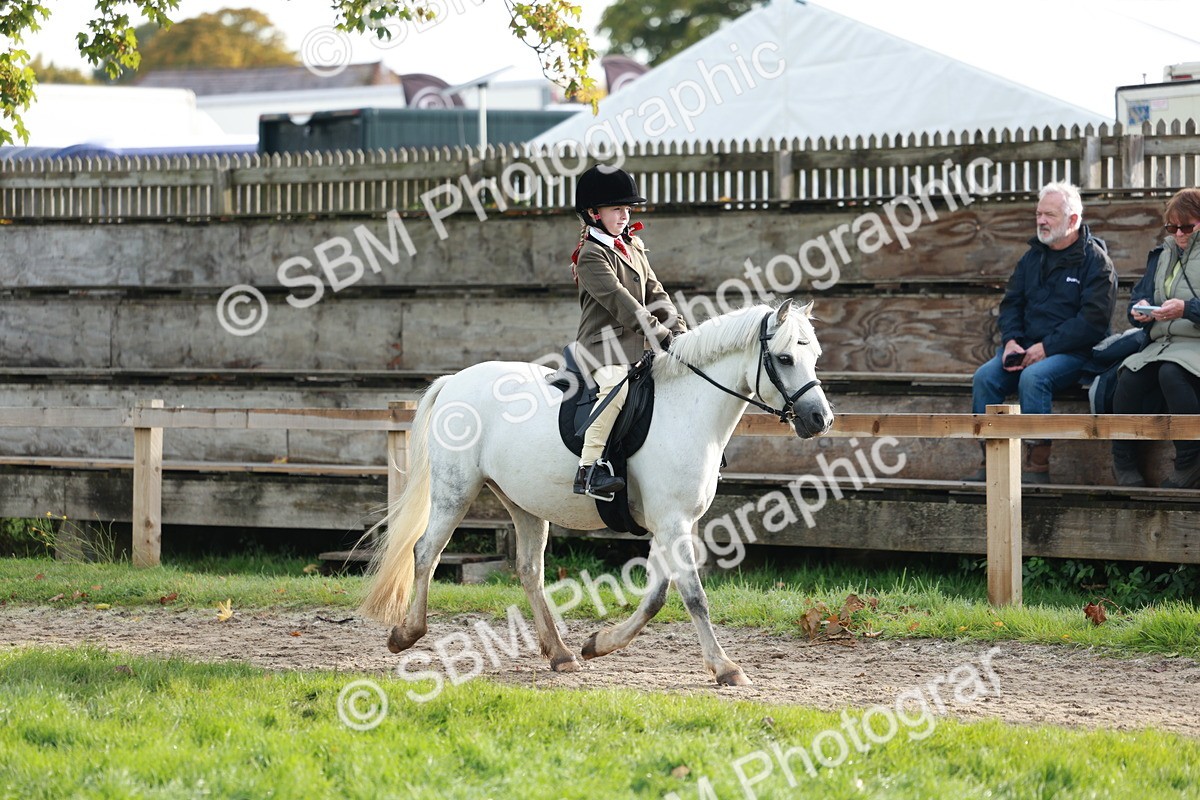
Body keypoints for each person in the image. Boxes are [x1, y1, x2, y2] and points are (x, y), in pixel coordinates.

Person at [966, 181, 1117, 484]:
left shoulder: (1096, 262)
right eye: (1038, 214)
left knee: (1034, 378)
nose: (1041, 221)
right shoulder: (1031, 258)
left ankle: (1036, 467)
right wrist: (1010, 342)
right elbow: (1012, 303)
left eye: (1049, 215)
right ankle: (991, 461)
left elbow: (1093, 322)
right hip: (1024, 348)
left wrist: (1045, 348)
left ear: (1073, 220)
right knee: (985, 376)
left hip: (1075, 353)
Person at [569, 164, 687, 498]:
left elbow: (656, 293)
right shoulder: (590, 255)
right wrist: (661, 336)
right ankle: (588, 469)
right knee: (616, 388)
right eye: (616, 209)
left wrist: (680, 331)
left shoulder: (632, 245)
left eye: (627, 208)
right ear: (594, 213)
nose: (624, 214)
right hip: (604, 347)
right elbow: (623, 303)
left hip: (641, 345)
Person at [1110, 188, 1200, 488]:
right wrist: (1140, 310)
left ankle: (1190, 461)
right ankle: (1123, 462)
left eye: (1187, 226)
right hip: (1162, 343)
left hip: (1194, 344)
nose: (1179, 234)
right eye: (1172, 227)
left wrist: (1186, 309)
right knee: (1128, 377)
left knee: (1172, 374)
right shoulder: (1162, 254)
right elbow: (1140, 296)